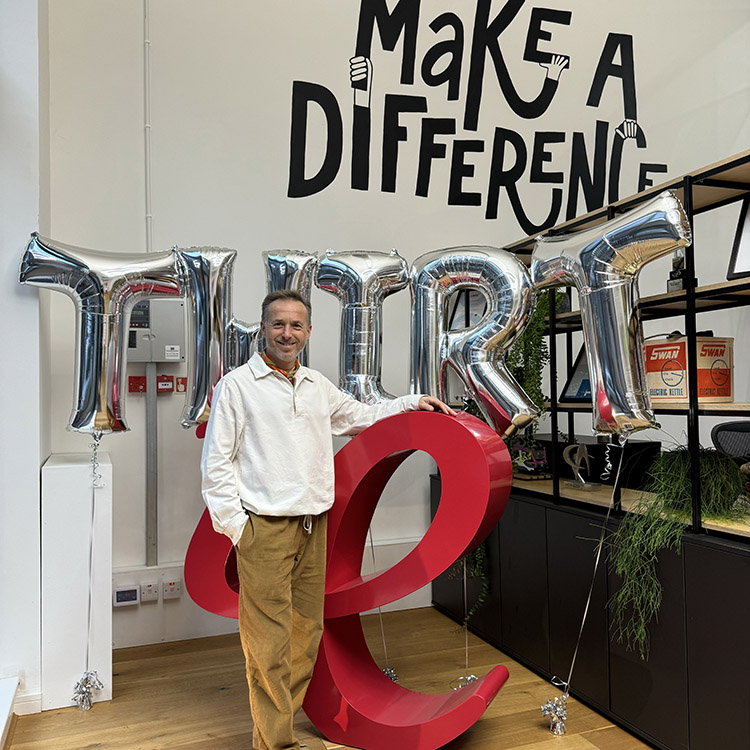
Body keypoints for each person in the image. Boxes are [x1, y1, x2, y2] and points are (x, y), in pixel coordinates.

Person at [200, 289, 454, 750]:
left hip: (314, 527)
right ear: (263, 328)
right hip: (265, 530)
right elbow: (216, 466)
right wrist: (239, 529)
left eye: (296, 325)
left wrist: (411, 402)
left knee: (306, 633)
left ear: (309, 332)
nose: (287, 333)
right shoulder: (237, 386)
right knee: (267, 640)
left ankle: (277, 725)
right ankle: (276, 743)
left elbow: (362, 416)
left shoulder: (317, 385)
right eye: (279, 324)